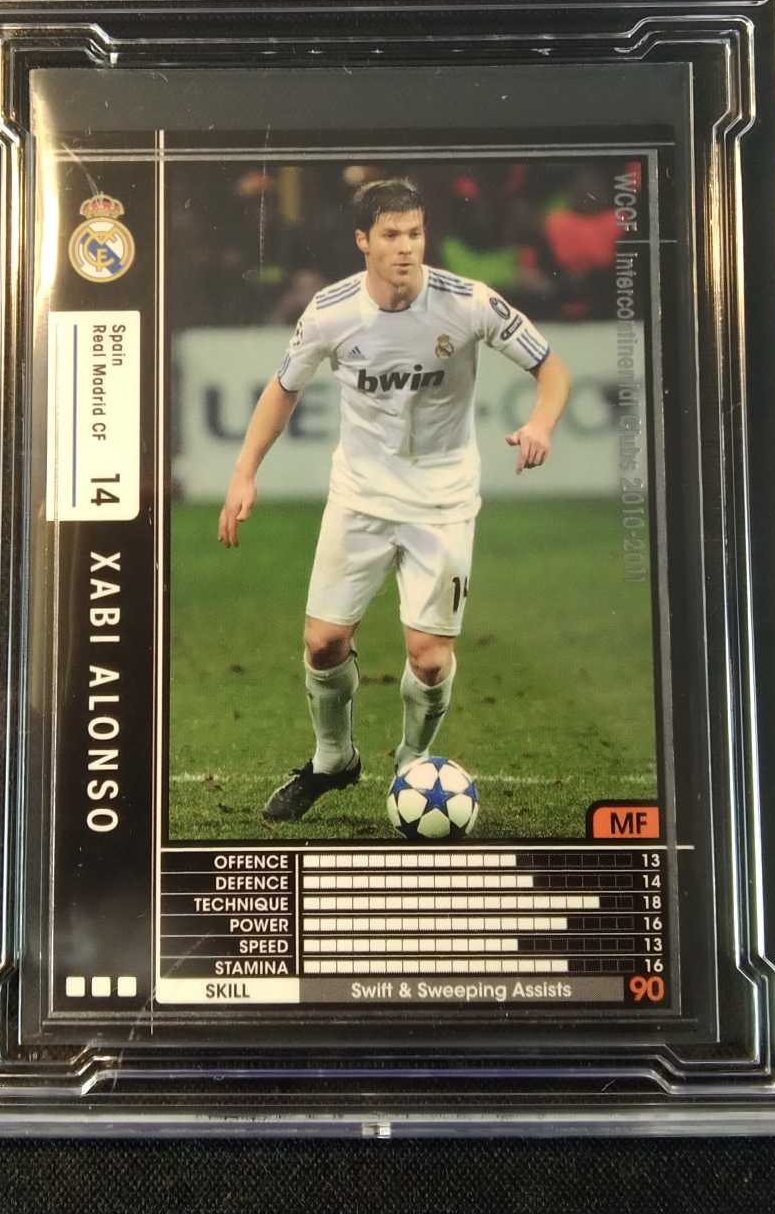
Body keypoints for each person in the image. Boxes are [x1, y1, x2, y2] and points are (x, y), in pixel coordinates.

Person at [216, 177, 572, 821]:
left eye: (415, 233)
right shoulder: (331, 311)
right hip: (359, 497)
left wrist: (542, 423)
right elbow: (283, 389)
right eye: (391, 235)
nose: (406, 247)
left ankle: (412, 763)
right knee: (323, 643)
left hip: (443, 501)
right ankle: (333, 759)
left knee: (430, 659)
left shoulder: (469, 302)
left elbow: (551, 368)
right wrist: (244, 473)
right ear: (363, 241)